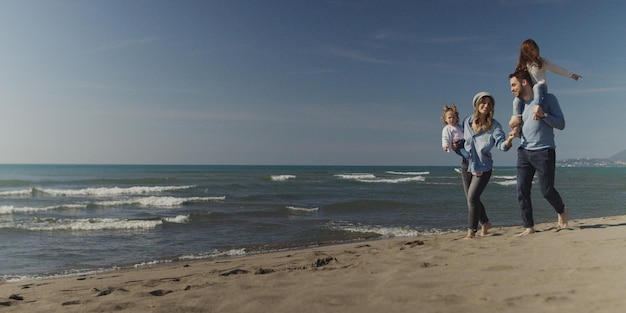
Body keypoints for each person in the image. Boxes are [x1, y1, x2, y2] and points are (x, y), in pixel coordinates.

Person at [508, 69, 569, 236]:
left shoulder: (548, 99)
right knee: (521, 190)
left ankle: (562, 210)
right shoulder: (520, 105)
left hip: (544, 151)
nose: (512, 89)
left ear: (525, 82)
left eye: (514, 85)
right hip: (524, 151)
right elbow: (523, 127)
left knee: (546, 190)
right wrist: (515, 132)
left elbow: (561, 123)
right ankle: (529, 227)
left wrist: (544, 115)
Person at [459, 92, 514, 238]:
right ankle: (485, 222)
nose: (486, 106)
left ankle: (471, 232)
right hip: (466, 165)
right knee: (472, 198)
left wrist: (508, 141)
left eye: (490, 104)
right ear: (476, 104)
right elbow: (459, 140)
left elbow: (501, 145)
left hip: (483, 167)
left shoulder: (494, 126)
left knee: (472, 198)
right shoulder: (466, 121)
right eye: (483, 102)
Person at [509, 39, 581, 136]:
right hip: (530, 91)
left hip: (541, 89)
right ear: (525, 53)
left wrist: (571, 75)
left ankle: (536, 107)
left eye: (534, 49)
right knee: (516, 101)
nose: (533, 52)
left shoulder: (542, 62)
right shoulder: (522, 65)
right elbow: (517, 79)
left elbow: (556, 69)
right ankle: (516, 123)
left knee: (537, 86)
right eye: (530, 50)